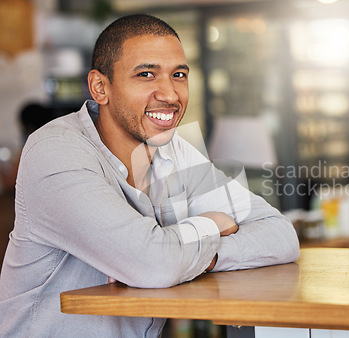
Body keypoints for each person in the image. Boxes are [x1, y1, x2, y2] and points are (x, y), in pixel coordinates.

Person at [0, 14, 299, 337]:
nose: (170, 95)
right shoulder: (55, 151)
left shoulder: (174, 151)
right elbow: (156, 265)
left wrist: (201, 256)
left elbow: (282, 236)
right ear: (100, 87)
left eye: (179, 75)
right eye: (146, 74)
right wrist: (211, 225)